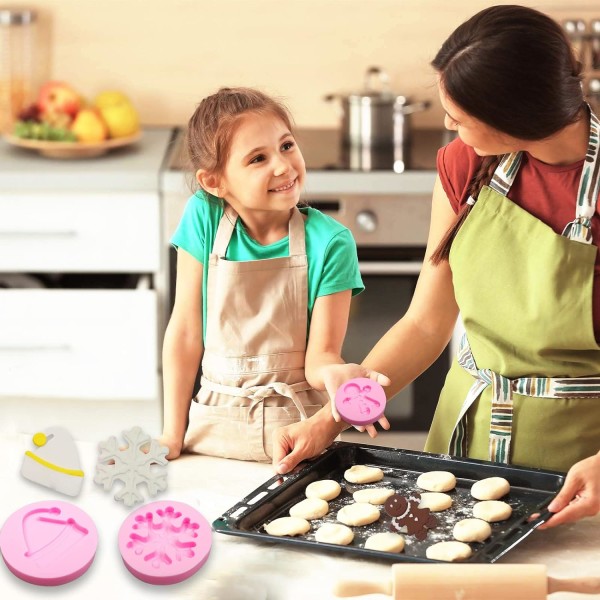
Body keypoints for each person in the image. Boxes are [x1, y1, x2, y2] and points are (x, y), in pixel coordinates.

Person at [273, 5, 600, 528]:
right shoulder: (466, 165)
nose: (448, 125)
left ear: (514, 116)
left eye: (460, 115)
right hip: (462, 443)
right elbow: (425, 323)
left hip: (582, 469)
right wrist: (330, 420)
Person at [160, 86, 370, 463]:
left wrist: (338, 375)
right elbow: (186, 331)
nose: (283, 166)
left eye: (287, 146)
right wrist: (171, 436)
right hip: (210, 437)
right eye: (258, 158)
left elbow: (319, 357)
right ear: (214, 182)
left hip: (295, 445)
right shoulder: (203, 217)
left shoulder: (331, 242)